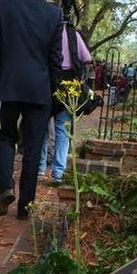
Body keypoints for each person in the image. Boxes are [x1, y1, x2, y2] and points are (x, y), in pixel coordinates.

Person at [0, 0, 62, 220]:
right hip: (39, 89)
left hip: (9, 86)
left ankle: (6, 185)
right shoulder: (53, 14)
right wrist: (53, 90)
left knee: (6, 138)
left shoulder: (3, 7)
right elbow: (55, 57)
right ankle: (25, 206)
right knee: (33, 146)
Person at [38, 25, 91, 183]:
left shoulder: (44, 30)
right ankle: (58, 172)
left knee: (42, 128)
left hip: (46, 81)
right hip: (68, 83)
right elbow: (87, 58)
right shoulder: (73, 34)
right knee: (63, 130)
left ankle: (39, 166)